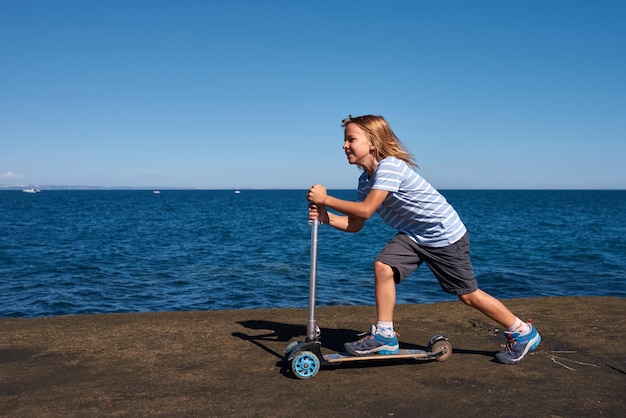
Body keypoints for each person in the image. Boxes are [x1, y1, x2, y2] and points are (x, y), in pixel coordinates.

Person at [306, 114, 541, 365]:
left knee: (468, 295)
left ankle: (522, 332)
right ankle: (385, 335)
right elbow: (355, 224)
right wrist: (325, 216)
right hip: (415, 235)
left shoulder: (390, 167)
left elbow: (365, 210)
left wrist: (325, 199)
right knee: (383, 266)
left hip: (444, 235)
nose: (344, 145)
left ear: (372, 142)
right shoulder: (365, 180)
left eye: (351, 139)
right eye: (345, 140)